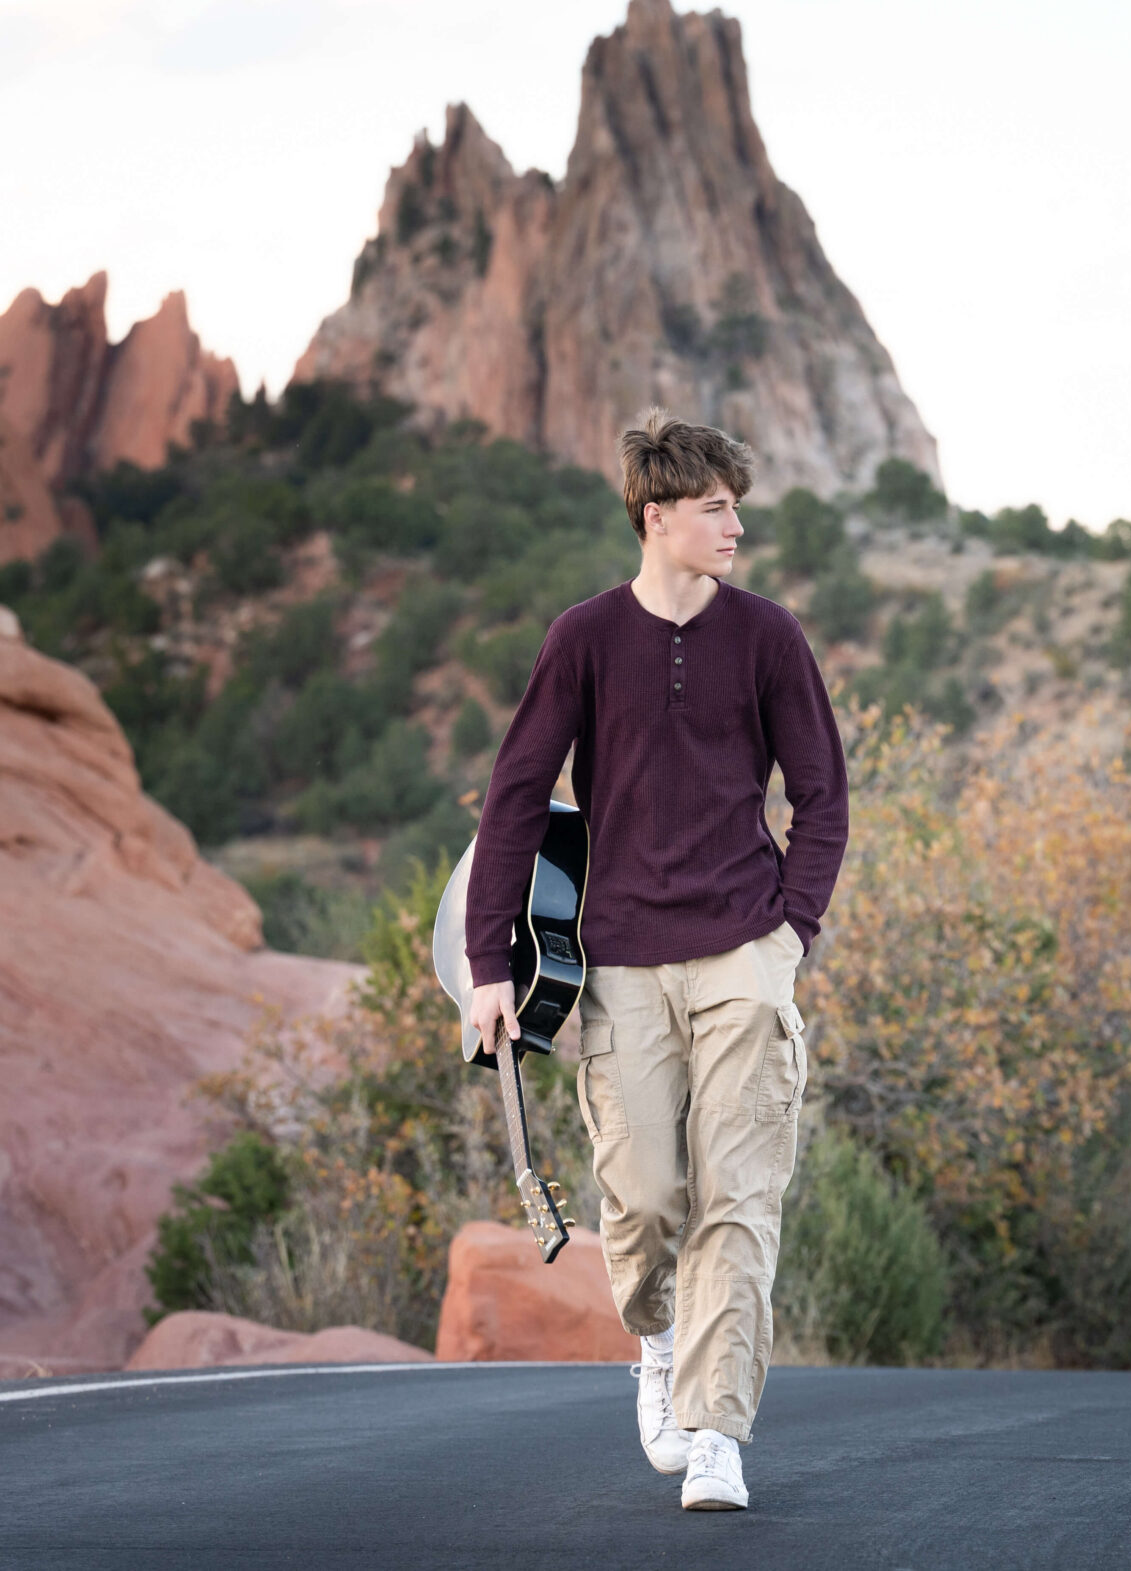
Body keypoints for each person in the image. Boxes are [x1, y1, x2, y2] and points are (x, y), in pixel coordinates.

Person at [464, 410, 848, 1513]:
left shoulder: (768, 637)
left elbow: (822, 797)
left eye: (736, 504)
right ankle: (656, 1338)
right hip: (621, 959)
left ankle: (717, 1429)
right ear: (657, 516)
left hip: (742, 954)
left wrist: (790, 933)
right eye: (717, 507)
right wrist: (492, 962)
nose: (736, 524)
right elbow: (515, 799)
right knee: (641, 1201)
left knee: (739, 1197)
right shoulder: (583, 638)